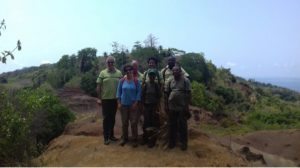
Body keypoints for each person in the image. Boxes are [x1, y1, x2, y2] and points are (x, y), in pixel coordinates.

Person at [96, 56, 122, 145]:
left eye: (112, 62)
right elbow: (98, 86)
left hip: (115, 99)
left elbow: (122, 85)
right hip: (106, 99)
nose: (110, 64)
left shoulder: (119, 73)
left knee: (112, 118)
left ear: (114, 63)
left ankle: (111, 135)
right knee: (106, 119)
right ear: (106, 63)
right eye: (109, 62)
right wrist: (99, 98)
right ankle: (106, 137)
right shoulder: (103, 73)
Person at [165, 62, 191, 151]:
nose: (175, 72)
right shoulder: (170, 81)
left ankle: (183, 143)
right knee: (172, 125)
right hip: (172, 107)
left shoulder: (185, 81)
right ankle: (172, 142)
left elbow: (188, 94)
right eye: (174, 71)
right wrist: (167, 105)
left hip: (182, 107)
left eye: (177, 70)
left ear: (180, 71)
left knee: (182, 125)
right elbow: (167, 93)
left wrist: (186, 106)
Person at [117, 64, 142, 147]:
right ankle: (124, 138)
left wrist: (136, 103)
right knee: (124, 123)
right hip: (123, 105)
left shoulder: (136, 81)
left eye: (130, 70)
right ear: (125, 71)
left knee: (134, 123)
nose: (128, 71)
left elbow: (139, 92)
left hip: (133, 106)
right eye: (126, 70)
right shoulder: (122, 81)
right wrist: (119, 103)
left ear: (132, 71)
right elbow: (118, 93)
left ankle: (135, 139)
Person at [141, 69, 161, 148]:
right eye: (150, 75)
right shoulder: (145, 85)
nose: (151, 76)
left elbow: (159, 96)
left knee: (153, 123)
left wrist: (158, 107)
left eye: (153, 75)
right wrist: (142, 106)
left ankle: (152, 141)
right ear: (148, 76)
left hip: (154, 106)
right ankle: (145, 139)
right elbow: (142, 96)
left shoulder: (156, 85)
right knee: (146, 123)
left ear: (155, 76)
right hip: (146, 106)